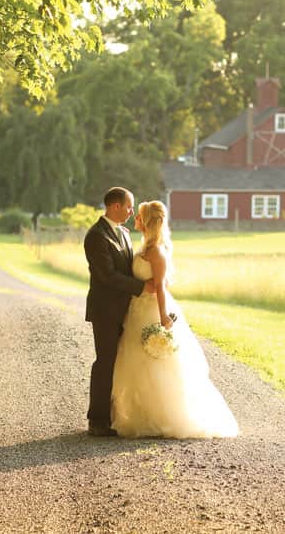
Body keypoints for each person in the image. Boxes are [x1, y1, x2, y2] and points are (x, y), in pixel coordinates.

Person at [111, 200, 239, 439]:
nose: (135, 219)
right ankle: (142, 414)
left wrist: (163, 320)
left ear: (146, 221)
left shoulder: (157, 252)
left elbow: (160, 288)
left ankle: (166, 416)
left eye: (138, 216)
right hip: (136, 309)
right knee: (135, 362)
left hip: (152, 311)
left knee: (156, 363)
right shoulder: (143, 249)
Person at [83, 187, 154, 437]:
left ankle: (116, 416)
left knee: (122, 362)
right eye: (128, 207)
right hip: (105, 311)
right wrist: (142, 286)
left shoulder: (124, 232)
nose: (131, 212)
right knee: (105, 363)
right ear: (115, 206)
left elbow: (127, 269)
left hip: (127, 309)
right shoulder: (95, 236)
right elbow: (107, 276)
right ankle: (97, 420)